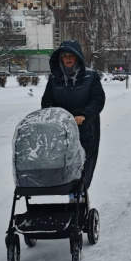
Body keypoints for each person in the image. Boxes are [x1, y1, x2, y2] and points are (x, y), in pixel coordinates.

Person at [41, 40, 105, 202]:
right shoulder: (54, 79)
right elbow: (47, 101)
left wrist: (84, 115)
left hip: (85, 128)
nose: (68, 59)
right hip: (61, 129)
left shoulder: (90, 77)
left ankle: (79, 196)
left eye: (71, 56)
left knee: (84, 164)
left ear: (78, 57)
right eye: (64, 56)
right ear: (60, 59)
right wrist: (54, 115)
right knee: (64, 163)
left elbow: (97, 100)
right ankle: (72, 193)